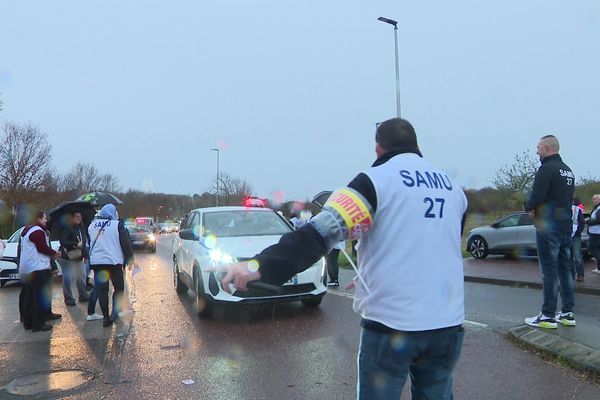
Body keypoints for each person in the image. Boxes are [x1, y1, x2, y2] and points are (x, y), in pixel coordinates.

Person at [222, 118, 468, 400]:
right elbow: (434, 247)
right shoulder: (453, 189)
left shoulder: (373, 182)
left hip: (393, 325)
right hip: (447, 325)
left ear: (378, 148)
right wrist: (371, 274)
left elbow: (319, 234)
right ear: (416, 145)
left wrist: (259, 266)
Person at [524, 135, 576, 329]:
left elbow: (537, 195)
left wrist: (529, 207)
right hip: (565, 227)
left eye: (538, 147)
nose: (537, 151)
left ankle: (547, 315)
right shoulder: (568, 171)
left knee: (549, 272)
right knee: (566, 271)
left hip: (548, 227)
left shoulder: (546, 169)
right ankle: (568, 313)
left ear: (546, 147)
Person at [88, 204, 136, 327]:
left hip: (98, 263)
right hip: (113, 262)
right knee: (118, 288)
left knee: (103, 290)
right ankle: (114, 314)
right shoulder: (117, 225)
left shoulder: (92, 225)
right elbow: (125, 243)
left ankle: (105, 318)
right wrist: (129, 258)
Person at [18, 211, 62, 332]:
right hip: (38, 267)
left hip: (27, 268)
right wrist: (54, 254)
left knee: (30, 296)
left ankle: (28, 322)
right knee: (39, 297)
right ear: (38, 219)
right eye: (44, 218)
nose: (46, 220)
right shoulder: (37, 231)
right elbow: (42, 247)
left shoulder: (26, 229)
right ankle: (38, 323)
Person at [59, 211, 89, 306]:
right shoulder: (67, 227)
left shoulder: (81, 228)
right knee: (68, 278)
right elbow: (62, 241)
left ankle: (83, 295)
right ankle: (69, 299)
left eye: (80, 216)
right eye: (76, 216)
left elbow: (83, 244)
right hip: (67, 256)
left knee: (81, 276)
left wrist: (86, 255)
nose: (78, 218)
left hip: (78, 256)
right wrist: (75, 244)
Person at [571, 199, 585, 281]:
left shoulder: (577, 209)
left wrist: (577, 232)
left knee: (577, 256)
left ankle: (580, 274)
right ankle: (571, 274)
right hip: (566, 235)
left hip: (575, 235)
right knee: (568, 256)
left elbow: (581, 222)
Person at [587, 194, 600, 274]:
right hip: (595, 231)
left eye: (595, 199)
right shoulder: (596, 208)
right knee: (598, 249)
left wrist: (588, 221)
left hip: (596, 232)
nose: (594, 200)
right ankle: (599, 268)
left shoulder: (599, 208)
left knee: (592, 248)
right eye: (593, 199)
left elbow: (598, 220)